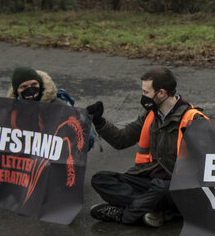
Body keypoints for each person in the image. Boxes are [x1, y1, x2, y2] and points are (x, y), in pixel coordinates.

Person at [86, 67, 207, 227]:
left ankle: (124, 215)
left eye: (146, 92)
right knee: (101, 179)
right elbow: (121, 140)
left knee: (160, 189)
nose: (143, 97)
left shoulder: (193, 120)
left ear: (162, 93)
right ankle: (155, 210)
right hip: (149, 181)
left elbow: (207, 166)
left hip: (176, 186)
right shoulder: (151, 115)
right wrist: (99, 121)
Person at [0, 66, 76, 198]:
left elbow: (84, 142)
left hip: (48, 163)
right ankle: (3, 188)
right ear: (17, 91)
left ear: (40, 84)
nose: (30, 89)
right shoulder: (11, 109)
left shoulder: (58, 106)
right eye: (23, 87)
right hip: (22, 162)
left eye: (34, 84)